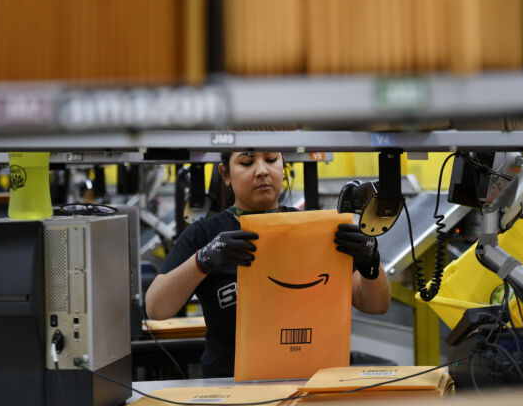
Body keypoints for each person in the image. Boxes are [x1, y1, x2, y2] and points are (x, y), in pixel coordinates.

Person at [145, 151, 390, 378]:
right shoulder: (205, 233)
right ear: (225, 174)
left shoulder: (316, 228)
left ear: (283, 167)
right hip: (231, 384)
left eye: (271, 159)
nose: (262, 170)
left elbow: (376, 304)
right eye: (247, 162)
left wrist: (370, 259)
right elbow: (157, 308)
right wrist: (205, 258)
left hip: (311, 381)